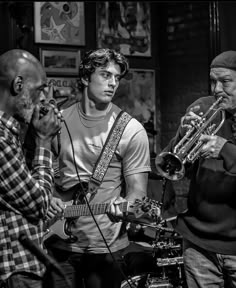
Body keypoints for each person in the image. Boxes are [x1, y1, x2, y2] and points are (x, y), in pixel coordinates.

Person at [44, 48, 152, 288]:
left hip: (107, 249)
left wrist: (127, 207)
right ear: (85, 78)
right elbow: (37, 171)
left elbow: (138, 193)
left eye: (116, 77)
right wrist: (47, 196)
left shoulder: (131, 130)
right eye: (105, 75)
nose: (113, 83)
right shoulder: (56, 122)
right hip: (56, 243)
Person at [156, 50, 236, 287]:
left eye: (225, 81)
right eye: (213, 81)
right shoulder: (203, 107)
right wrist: (183, 134)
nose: (216, 89)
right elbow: (174, 160)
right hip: (199, 242)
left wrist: (224, 149)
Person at [0, 49, 62, 288]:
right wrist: (44, 142)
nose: (42, 100)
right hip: (15, 270)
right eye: (38, 90)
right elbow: (38, 205)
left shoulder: (11, 132)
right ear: (18, 85)